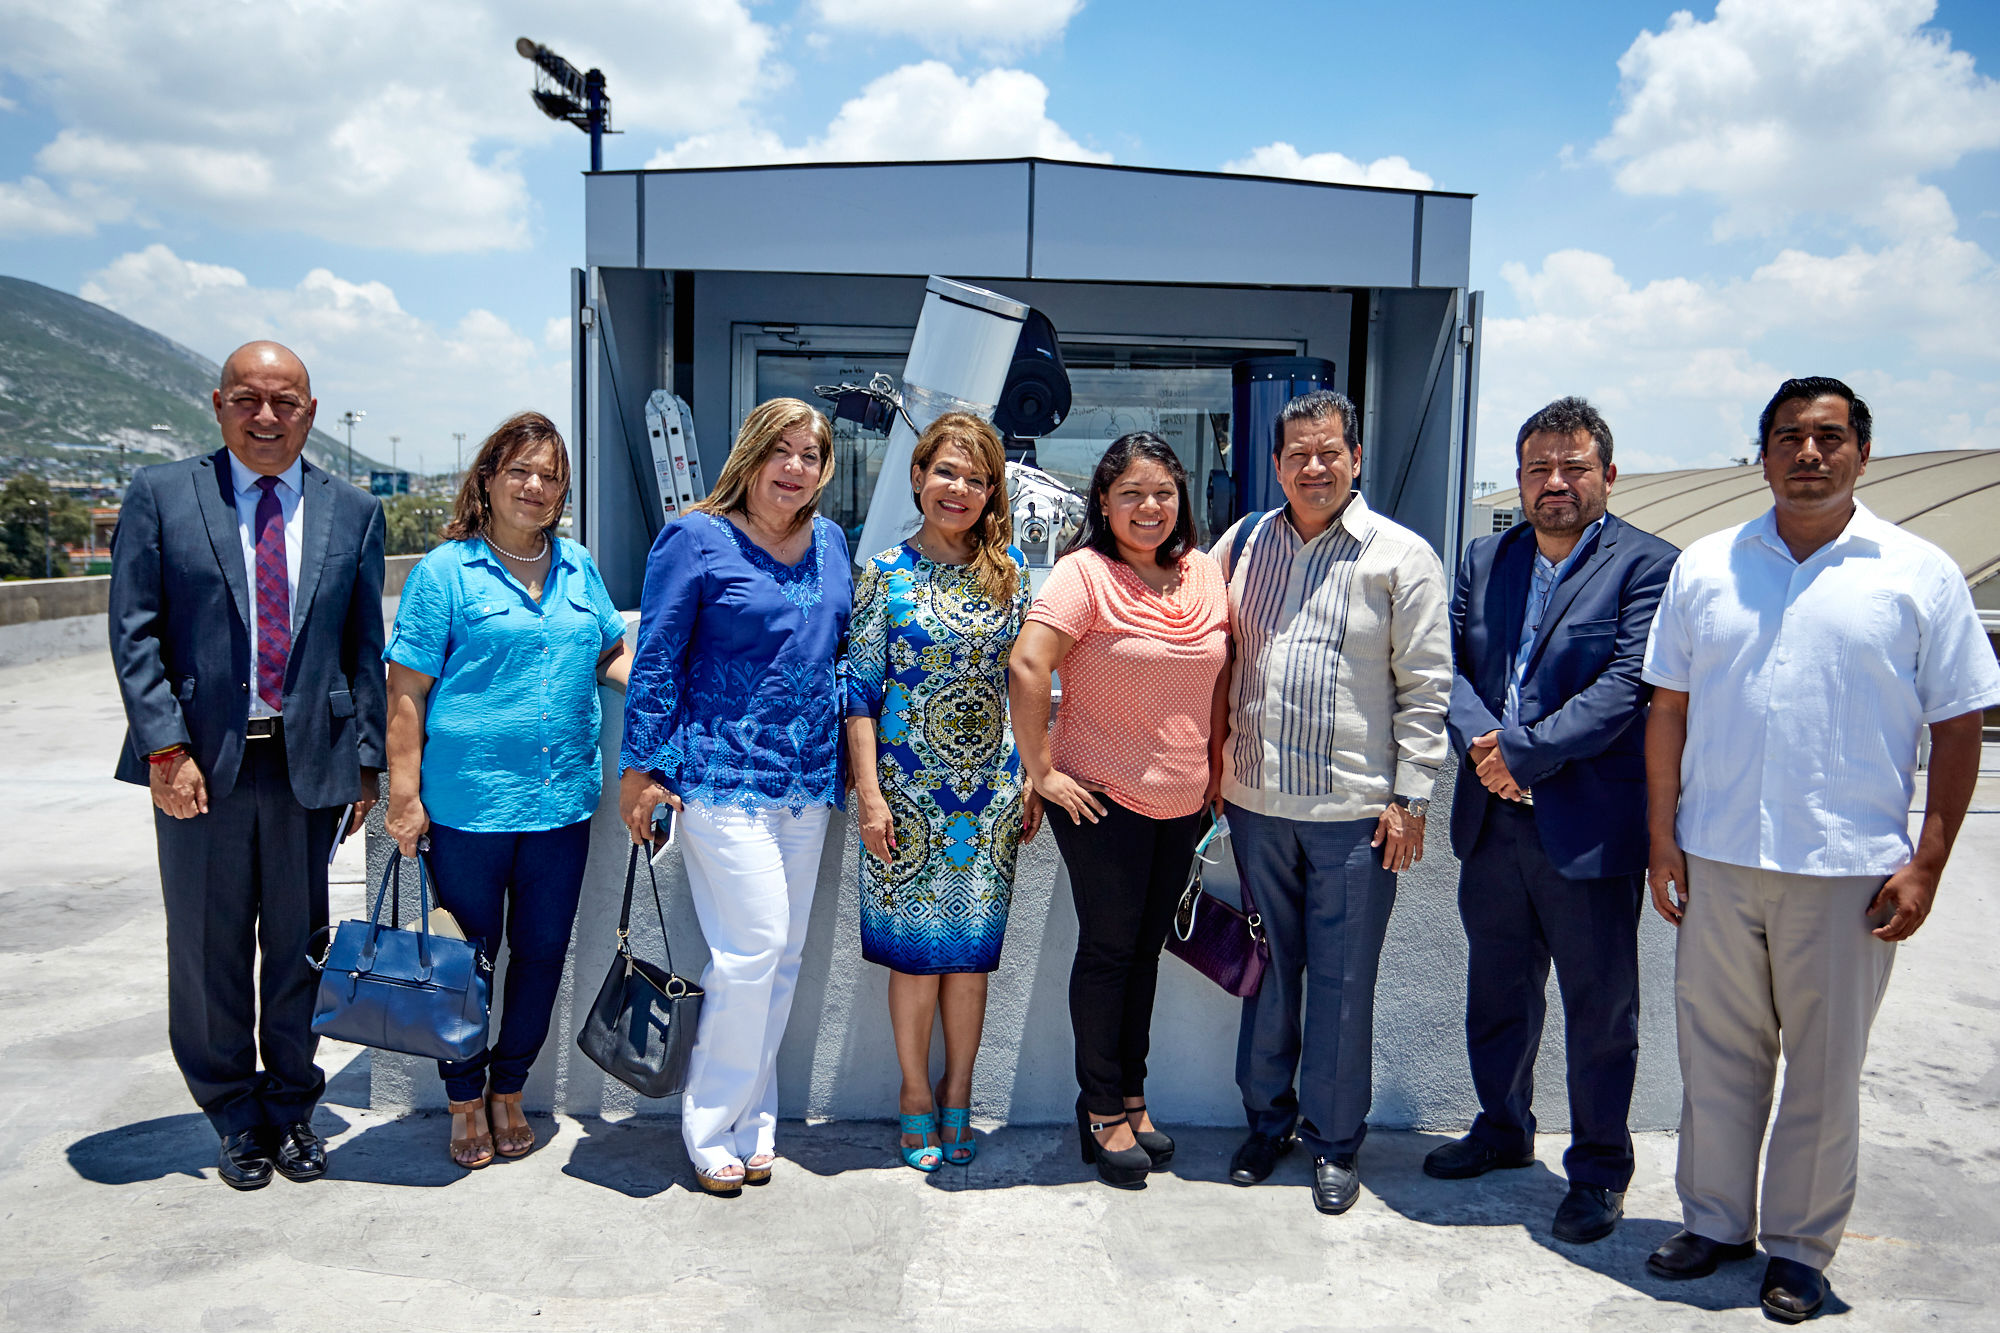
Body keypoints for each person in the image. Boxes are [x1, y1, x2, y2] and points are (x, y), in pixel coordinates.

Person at [1641, 377, 2000, 1323]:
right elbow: (1669, 707)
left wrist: (1926, 862)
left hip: (1849, 872)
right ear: (1760, 454)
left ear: (1862, 453)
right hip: (1717, 858)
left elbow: (1960, 724)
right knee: (1717, 1056)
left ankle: (1799, 1248)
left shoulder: (1918, 574)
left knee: (1825, 1070)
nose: (1809, 453)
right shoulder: (1708, 566)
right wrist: (1662, 839)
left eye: (1829, 437)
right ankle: (1717, 1221)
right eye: (1789, 437)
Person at [108, 341, 385, 1190]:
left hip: (308, 767)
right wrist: (165, 746)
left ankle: (294, 1106)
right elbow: (135, 632)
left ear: (310, 409)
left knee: (300, 946)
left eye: (286, 402)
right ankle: (233, 1112)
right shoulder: (161, 495)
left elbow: (361, 646)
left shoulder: (355, 511)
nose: (266, 417)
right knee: (207, 944)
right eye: (247, 399)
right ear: (218, 403)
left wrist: (367, 763)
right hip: (200, 767)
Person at [1426, 397, 1678, 1244]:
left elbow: (1628, 685)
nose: (1555, 483)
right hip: (1493, 820)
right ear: (1521, 477)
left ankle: (1600, 1171)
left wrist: (1522, 753)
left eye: (1574, 467)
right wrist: (1485, 751)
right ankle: (1501, 1128)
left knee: (1600, 1011)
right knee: (1498, 992)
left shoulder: (1648, 565)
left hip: (1587, 825)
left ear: (1608, 474)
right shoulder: (1484, 556)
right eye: (1539, 468)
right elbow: (1448, 669)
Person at [1212, 389, 1451, 1216]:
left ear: (1355, 457)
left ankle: (1335, 1141)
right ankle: (1266, 1120)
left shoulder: (1401, 557)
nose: (1314, 466)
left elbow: (1426, 690)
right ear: (1275, 464)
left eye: (1330, 451)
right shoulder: (1241, 545)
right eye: (1297, 454)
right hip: (1254, 802)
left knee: (1344, 983)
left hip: (1354, 814)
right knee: (1270, 973)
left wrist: (1411, 798)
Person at [382, 412, 631, 1168]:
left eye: (550, 476)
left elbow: (609, 651)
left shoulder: (579, 566)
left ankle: (509, 1088)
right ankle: (463, 1095)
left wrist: (667, 688)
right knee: (466, 959)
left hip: (560, 806)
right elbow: (405, 691)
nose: (535, 486)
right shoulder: (445, 573)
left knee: (544, 952)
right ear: (487, 479)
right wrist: (402, 794)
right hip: (468, 808)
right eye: (520, 470)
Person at [619, 398, 852, 1195]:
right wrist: (640, 767)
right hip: (720, 775)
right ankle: (709, 1123)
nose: (796, 468)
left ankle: (755, 1120)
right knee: (752, 947)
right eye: (781, 452)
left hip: (809, 776)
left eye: (812, 456)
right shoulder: (694, 537)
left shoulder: (831, 542)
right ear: (750, 455)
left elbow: (840, 652)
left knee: (781, 957)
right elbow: (655, 658)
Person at [1009, 432, 1230, 1189]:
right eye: (1131, 493)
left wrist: (1220, 763)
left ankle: (1133, 1096)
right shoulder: (1083, 574)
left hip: (1186, 801)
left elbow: (1220, 679)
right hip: (1102, 800)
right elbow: (1028, 663)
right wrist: (1040, 770)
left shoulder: (1205, 572)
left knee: (1144, 953)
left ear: (1182, 501)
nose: (1149, 507)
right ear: (1103, 501)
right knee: (1108, 953)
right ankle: (1101, 1107)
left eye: (1163, 492)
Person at [844, 412, 1042, 1171]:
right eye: (946, 473)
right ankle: (914, 1095)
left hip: (987, 796)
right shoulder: (884, 571)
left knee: (968, 956)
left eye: (976, 477)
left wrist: (1030, 769)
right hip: (905, 797)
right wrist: (869, 792)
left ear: (992, 491)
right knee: (914, 957)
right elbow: (858, 692)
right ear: (919, 477)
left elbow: (1032, 681)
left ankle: (959, 1091)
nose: (959, 488)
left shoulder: (1014, 572)